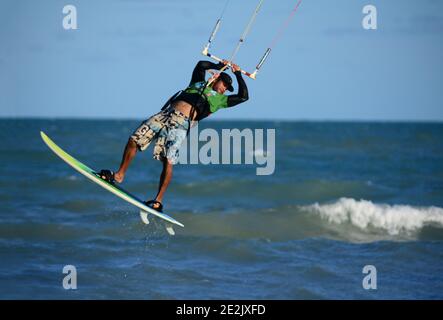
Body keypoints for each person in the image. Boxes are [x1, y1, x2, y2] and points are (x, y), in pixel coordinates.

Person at [98, 59, 249, 212]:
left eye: (227, 88)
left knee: (168, 160)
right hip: (165, 114)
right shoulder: (197, 83)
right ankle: (119, 175)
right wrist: (218, 66)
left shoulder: (221, 100)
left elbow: (244, 96)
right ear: (217, 78)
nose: (225, 89)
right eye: (224, 85)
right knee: (134, 140)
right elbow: (201, 65)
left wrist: (237, 74)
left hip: (181, 124)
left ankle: (158, 200)